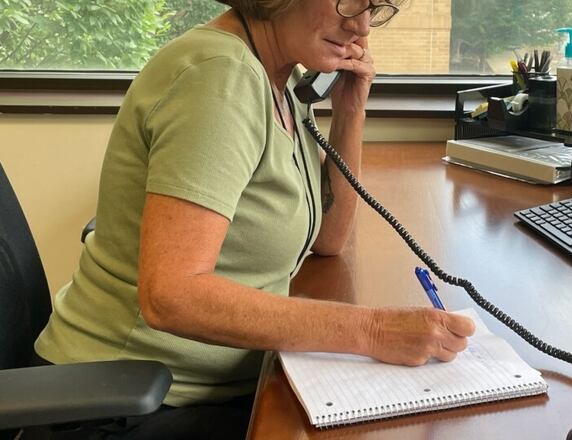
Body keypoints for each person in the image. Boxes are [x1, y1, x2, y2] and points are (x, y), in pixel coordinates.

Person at [33, 0, 475, 438]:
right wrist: (373, 330)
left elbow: (329, 238)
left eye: (372, 8)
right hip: (128, 404)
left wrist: (350, 110)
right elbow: (171, 294)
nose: (361, 27)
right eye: (347, 3)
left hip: (209, 386)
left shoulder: (280, 78)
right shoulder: (219, 77)